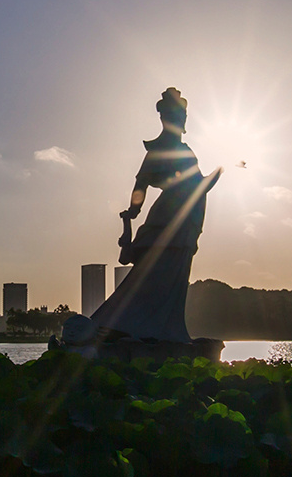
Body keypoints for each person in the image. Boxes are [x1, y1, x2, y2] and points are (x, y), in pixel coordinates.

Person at [78, 88, 221, 347]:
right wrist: (134, 210)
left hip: (186, 218)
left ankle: (165, 328)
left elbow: (198, 186)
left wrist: (213, 177)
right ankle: (128, 325)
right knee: (151, 273)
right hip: (166, 217)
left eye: (184, 115)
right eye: (178, 115)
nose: (182, 120)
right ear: (166, 118)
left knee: (173, 278)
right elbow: (141, 184)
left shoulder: (186, 151)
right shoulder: (158, 151)